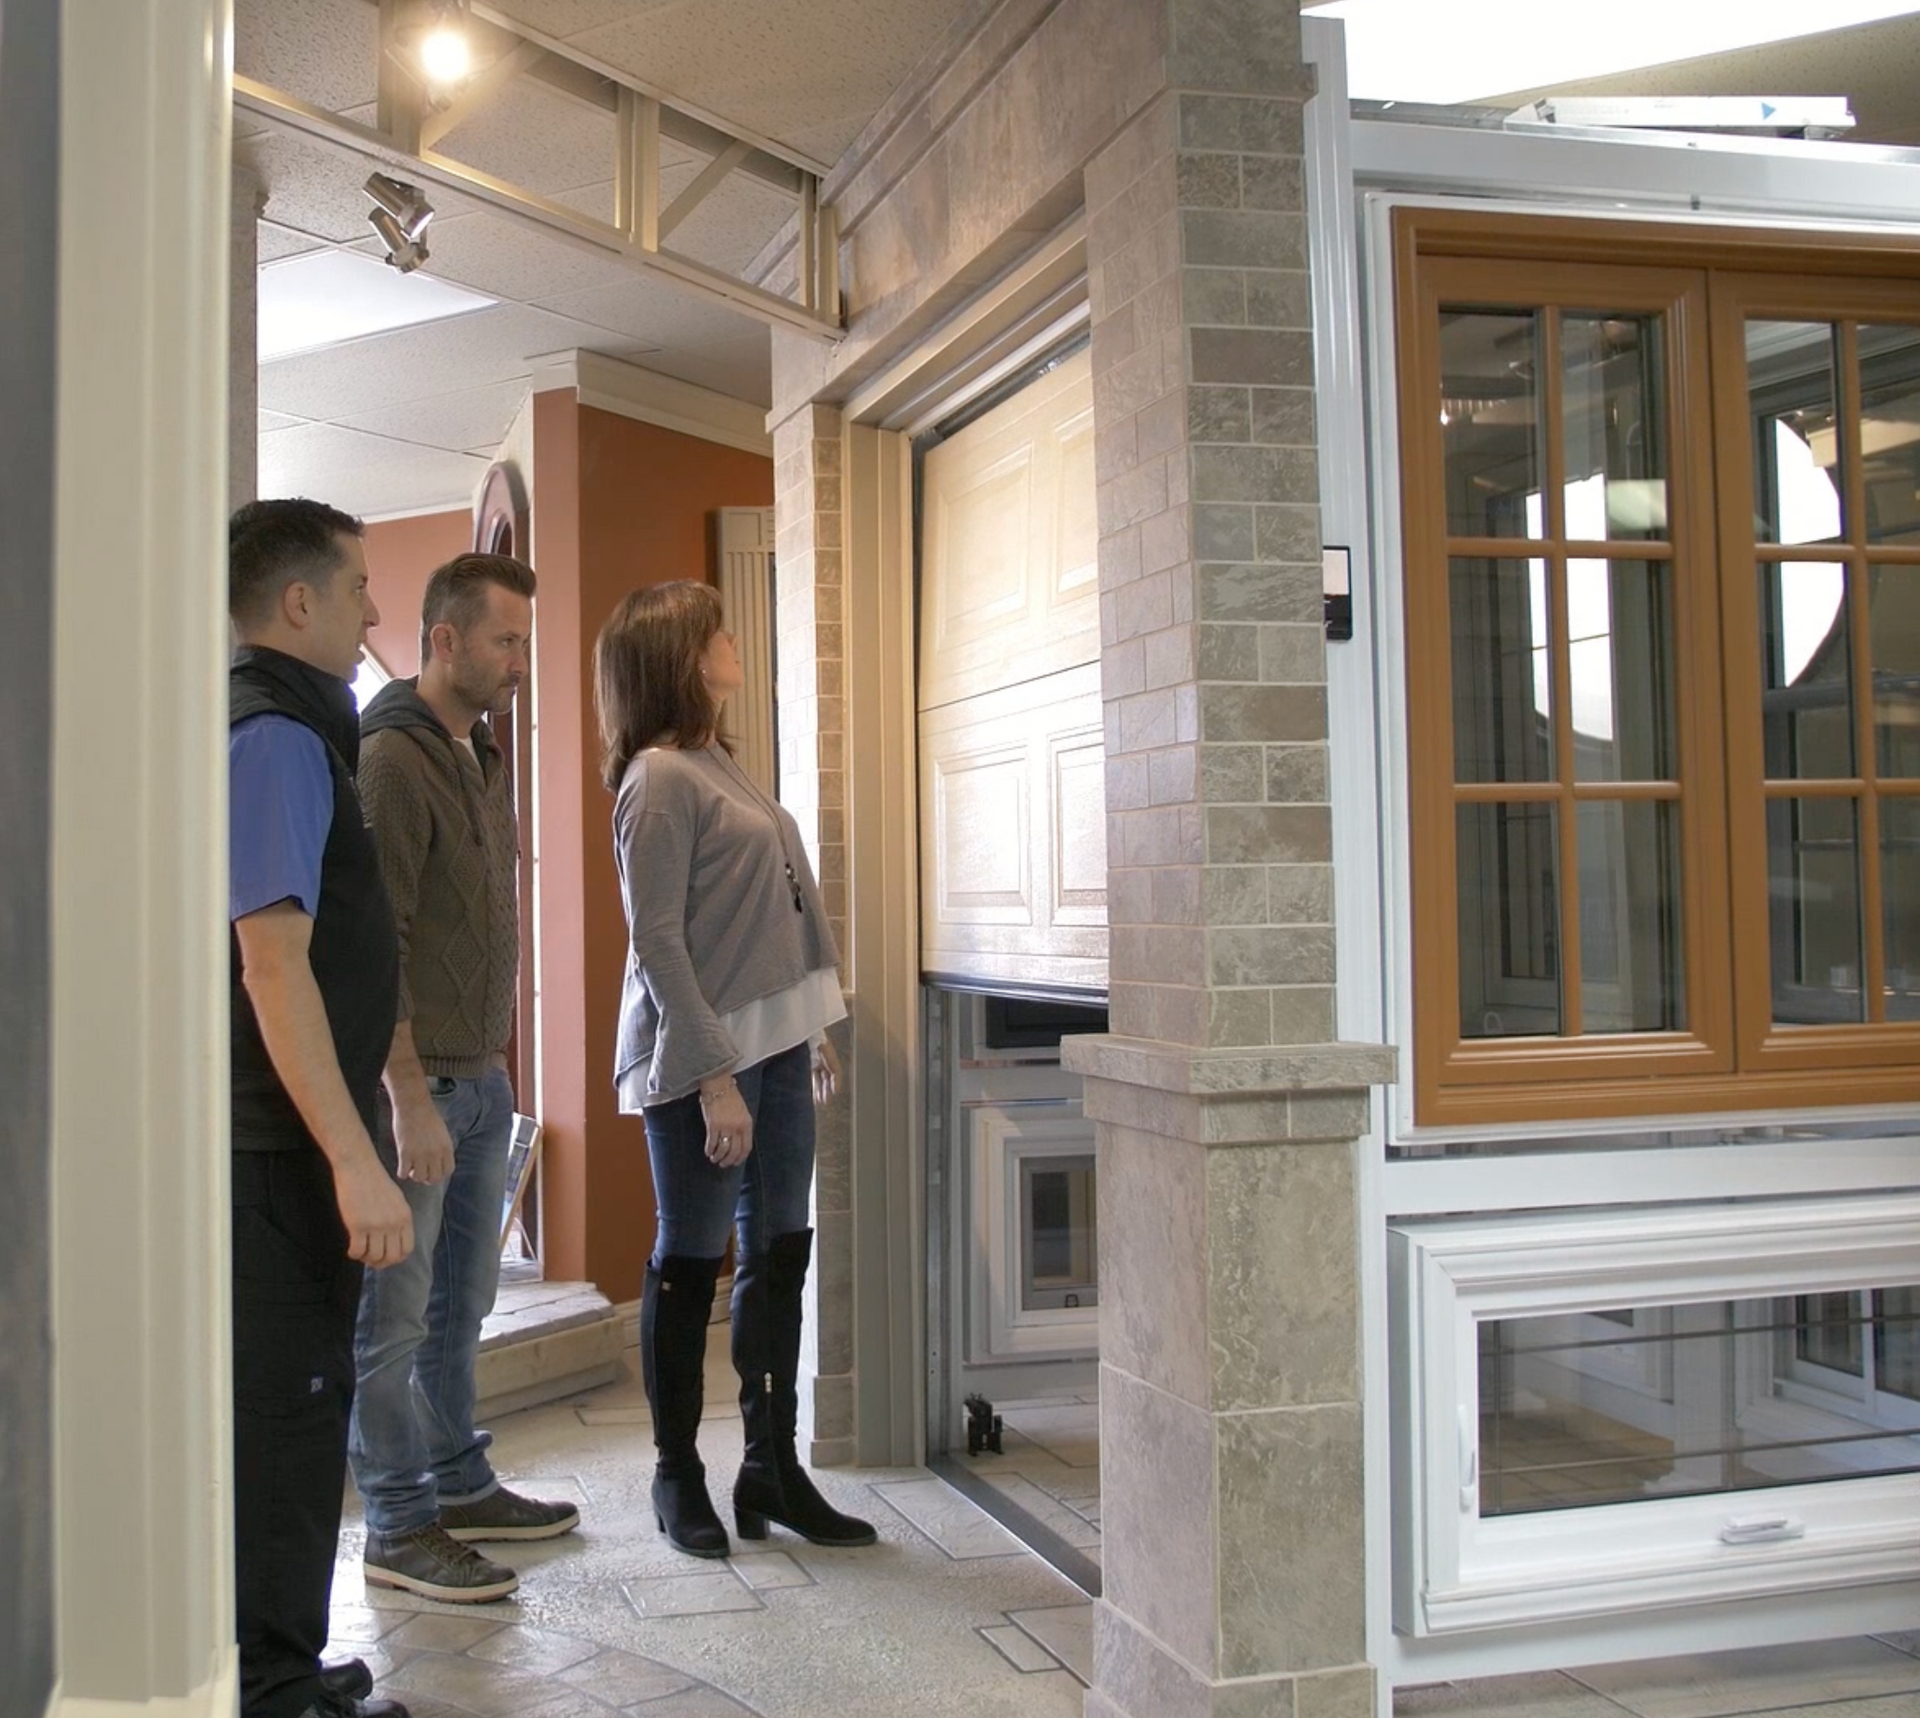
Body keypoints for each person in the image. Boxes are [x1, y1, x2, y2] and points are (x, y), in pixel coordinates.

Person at [593, 580, 876, 1558]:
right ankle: (679, 1475)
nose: (731, 638)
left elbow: (780, 900)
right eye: (715, 629)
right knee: (692, 1257)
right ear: (678, 654)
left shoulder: (719, 760)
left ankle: (771, 1465)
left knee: (781, 1248)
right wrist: (715, 1072)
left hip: (782, 1040)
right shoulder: (659, 778)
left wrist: (811, 1017)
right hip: (704, 1052)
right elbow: (658, 939)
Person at [349, 552, 579, 1603]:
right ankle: (397, 1524)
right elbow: (375, 941)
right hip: (424, 1088)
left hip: (480, 1080)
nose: (519, 661)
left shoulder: (479, 751)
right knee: (393, 1319)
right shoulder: (393, 759)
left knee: (462, 1304)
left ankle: (458, 1477)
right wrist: (404, 1095)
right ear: (445, 640)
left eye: (522, 641)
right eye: (506, 640)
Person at [228, 498, 413, 1718]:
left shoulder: (304, 732)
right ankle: (272, 1685)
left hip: (298, 1150)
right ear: (300, 603)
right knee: (286, 1428)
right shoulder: (274, 738)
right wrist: (352, 1156)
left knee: (305, 1416)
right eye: (357, 590)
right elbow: (272, 961)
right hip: (279, 1160)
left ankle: (286, 1658)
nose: (372, 613)